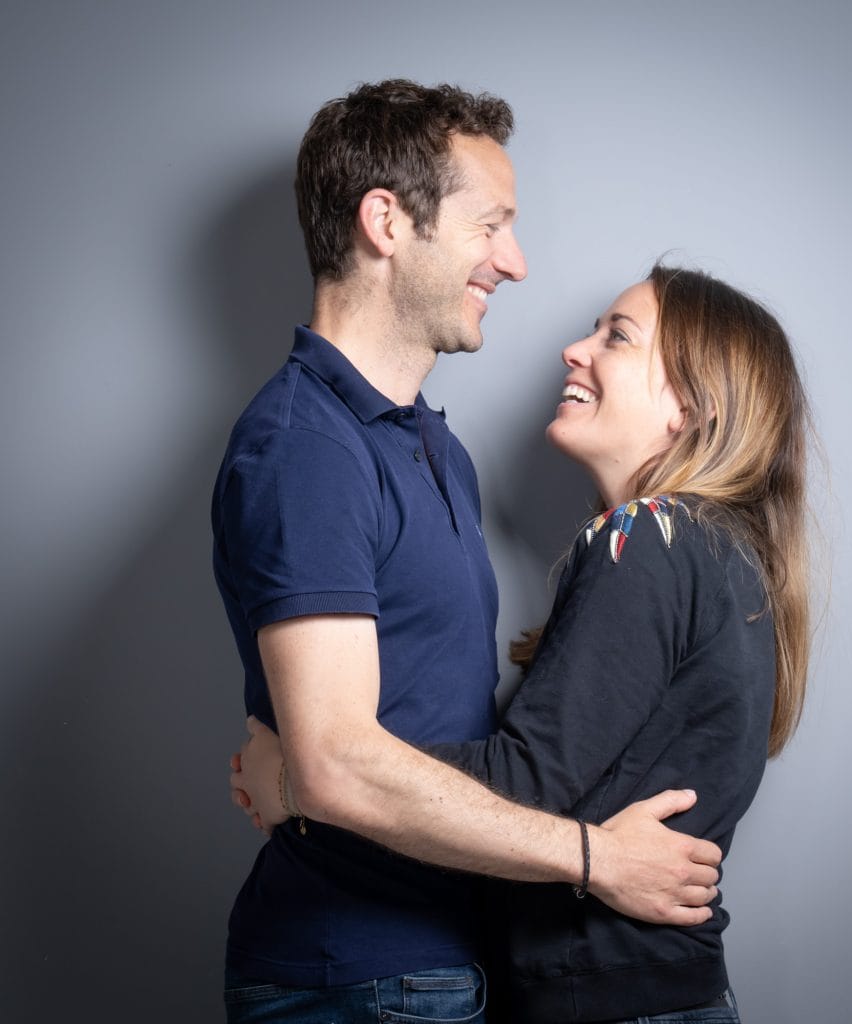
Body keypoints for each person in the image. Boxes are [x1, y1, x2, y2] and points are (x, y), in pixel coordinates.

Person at [213, 80, 721, 1024]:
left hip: (454, 962)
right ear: (386, 222)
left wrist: (293, 782)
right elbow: (339, 764)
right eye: (491, 226)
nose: (516, 263)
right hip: (355, 978)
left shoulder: (434, 448)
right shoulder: (304, 449)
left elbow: (378, 741)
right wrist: (595, 858)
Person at [233, 263, 813, 1023]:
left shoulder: (647, 537)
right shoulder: (718, 551)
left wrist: (311, 774)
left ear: (692, 407)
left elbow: (526, 780)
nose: (575, 350)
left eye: (617, 336)